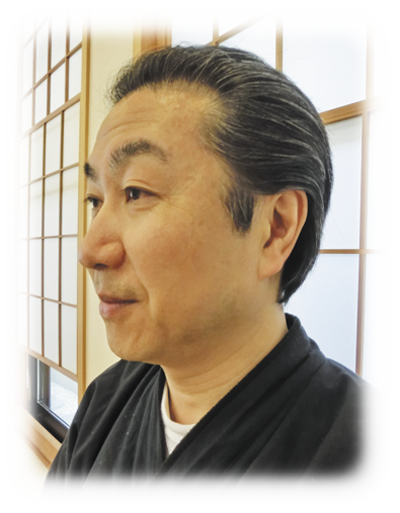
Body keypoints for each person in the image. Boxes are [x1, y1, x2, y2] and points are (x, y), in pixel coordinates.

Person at [38, 45, 390, 506]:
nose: (89, 250)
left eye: (136, 192)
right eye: (95, 200)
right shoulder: (108, 398)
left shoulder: (376, 465)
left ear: (274, 229)